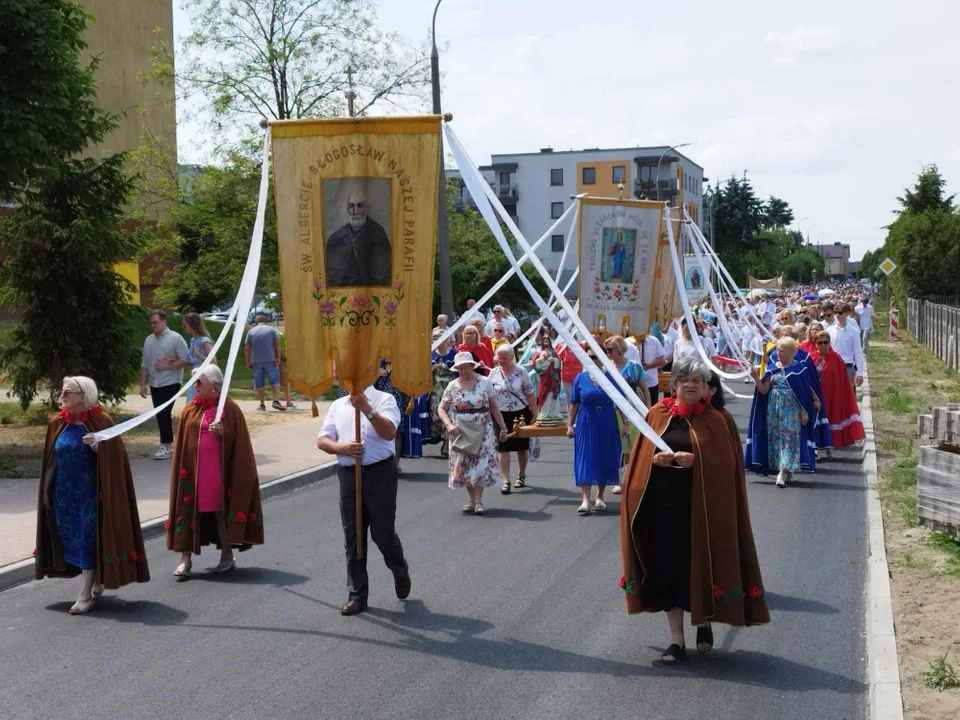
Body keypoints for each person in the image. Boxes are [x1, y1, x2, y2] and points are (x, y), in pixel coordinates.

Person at [620, 357, 769, 664]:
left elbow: (729, 467)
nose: (690, 385)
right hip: (663, 509)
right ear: (673, 386)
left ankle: (703, 621)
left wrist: (697, 461)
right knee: (669, 572)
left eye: (696, 382)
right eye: (683, 380)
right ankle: (676, 640)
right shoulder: (656, 414)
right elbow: (638, 459)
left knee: (700, 564)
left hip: (702, 509)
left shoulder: (718, 419)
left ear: (706, 389)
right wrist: (654, 462)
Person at [35, 376, 150, 614]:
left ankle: (85, 594)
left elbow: (116, 459)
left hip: (91, 494)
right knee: (72, 539)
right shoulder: (58, 422)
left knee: (86, 537)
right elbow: (51, 460)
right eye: (62, 391)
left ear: (83, 396)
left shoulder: (101, 421)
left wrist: (100, 448)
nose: (62, 396)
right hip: (64, 496)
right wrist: (45, 492)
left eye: (68, 392)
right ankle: (95, 579)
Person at [317, 384, 411, 616]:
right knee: (354, 536)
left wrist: (367, 409)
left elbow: (389, 432)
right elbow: (322, 440)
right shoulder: (338, 405)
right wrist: (342, 448)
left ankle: (399, 569)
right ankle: (357, 595)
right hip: (349, 476)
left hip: (380, 474)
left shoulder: (384, 399)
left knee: (382, 534)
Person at [166, 365, 263, 578]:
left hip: (218, 473)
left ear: (215, 385)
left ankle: (227, 556)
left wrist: (223, 432)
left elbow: (240, 443)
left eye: (200, 381)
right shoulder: (190, 409)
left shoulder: (229, 408)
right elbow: (182, 442)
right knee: (187, 511)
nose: (196, 386)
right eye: (195, 382)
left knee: (220, 512)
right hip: (193, 472)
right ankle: (186, 559)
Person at [437, 352, 509, 515]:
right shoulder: (453, 385)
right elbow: (441, 409)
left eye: (466, 367)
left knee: (480, 465)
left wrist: (503, 428)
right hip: (460, 431)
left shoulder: (484, 382)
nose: (463, 370)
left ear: (472, 366)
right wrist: (448, 425)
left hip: (483, 429)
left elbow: (494, 406)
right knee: (464, 466)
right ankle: (471, 499)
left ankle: (478, 501)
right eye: (460, 368)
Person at [745, 336, 820, 487]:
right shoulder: (772, 368)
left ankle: (782, 472)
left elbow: (805, 393)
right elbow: (764, 391)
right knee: (776, 440)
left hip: (791, 410)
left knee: (789, 440)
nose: (779, 353)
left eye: (783, 351)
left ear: (792, 352)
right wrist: (755, 378)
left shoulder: (799, 369)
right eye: (778, 350)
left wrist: (804, 412)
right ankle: (787, 470)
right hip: (773, 409)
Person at [566, 349, 621, 514]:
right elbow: (574, 403)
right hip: (586, 421)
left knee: (603, 456)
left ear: (601, 358)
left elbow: (620, 402)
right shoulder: (580, 378)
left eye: (594, 356)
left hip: (606, 421)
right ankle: (585, 500)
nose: (591, 359)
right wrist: (570, 424)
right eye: (588, 356)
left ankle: (600, 496)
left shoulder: (611, 378)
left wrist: (625, 423)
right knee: (585, 457)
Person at [140, 309, 191, 460]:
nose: (153, 325)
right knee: (159, 414)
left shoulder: (176, 338)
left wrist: (169, 365)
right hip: (154, 383)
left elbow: (187, 361)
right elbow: (145, 364)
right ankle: (167, 444)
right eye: (151, 323)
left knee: (164, 412)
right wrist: (143, 384)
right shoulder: (148, 340)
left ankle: (166, 445)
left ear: (164, 321)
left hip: (171, 381)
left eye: (155, 322)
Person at [604, 335, 649, 496]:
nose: (608, 353)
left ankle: (633, 478)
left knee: (633, 445)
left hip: (633, 411)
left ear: (620, 349)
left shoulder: (634, 367)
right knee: (618, 446)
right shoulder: (606, 368)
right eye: (606, 350)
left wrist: (647, 410)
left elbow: (645, 389)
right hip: (613, 411)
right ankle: (619, 480)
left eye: (610, 350)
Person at [489, 344, 537, 493]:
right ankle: (505, 480)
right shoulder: (493, 373)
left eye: (505, 358)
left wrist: (535, 413)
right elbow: (489, 395)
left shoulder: (521, 372)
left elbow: (530, 394)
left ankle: (521, 475)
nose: (502, 360)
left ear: (511, 357)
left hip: (520, 413)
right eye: (499, 357)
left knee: (521, 446)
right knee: (503, 446)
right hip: (500, 414)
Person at [325, 189, 391, 287]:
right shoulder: (336, 238)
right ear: (348, 209)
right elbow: (331, 276)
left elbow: (383, 274)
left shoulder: (378, 234)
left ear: (367, 209)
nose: (355, 211)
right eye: (351, 206)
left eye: (360, 205)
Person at [811, 331, 866, 448]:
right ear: (815, 344)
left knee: (832, 414)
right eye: (819, 343)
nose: (822, 345)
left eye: (825, 342)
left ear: (829, 343)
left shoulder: (836, 358)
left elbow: (843, 381)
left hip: (832, 394)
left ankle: (832, 440)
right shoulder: (811, 358)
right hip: (816, 394)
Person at [374, 358, 409, 473]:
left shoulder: (400, 363)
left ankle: (396, 463)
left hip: (397, 401)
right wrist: (376, 375)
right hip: (379, 403)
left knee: (397, 433)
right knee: (380, 431)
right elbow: (367, 384)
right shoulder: (377, 363)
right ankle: (381, 462)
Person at [244, 313, 284, 412]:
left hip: (256, 361)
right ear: (266, 321)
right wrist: (278, 357)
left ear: (256, 322)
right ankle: (275, 400)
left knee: (259, 383)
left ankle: (262, 404)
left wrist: (248, 361)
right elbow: (277, 344)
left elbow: (246, 347)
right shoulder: (272, 330)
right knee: (274, 381)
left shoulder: (251, 332)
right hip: (271, 359)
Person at [430, 331, 459, 458]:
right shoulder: (430, 353)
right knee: (435, 415)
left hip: (450, 388)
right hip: (435, 390)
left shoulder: (454, 353)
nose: (439, 340)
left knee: (449, 415)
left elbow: (459, 369)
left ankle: (447, 444)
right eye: (436, 338)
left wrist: (447, 368)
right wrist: (432, 368)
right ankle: (442, 440)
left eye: (441, 338)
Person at [826, 303, 865, 390]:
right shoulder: (829, 331)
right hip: (833, 366)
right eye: (835, 313)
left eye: (840, 313)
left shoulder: (854, 332)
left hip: (847, 366)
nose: (837, 315)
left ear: (846, 314)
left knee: (847, 396)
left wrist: (859, 373)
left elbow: (858, 352)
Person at [182, 312, 214, 404]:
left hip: (203, 376)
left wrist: (198, 354)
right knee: (192, 402)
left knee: (198, 402)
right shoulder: (192, 340)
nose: (183, 327)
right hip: (195, 375)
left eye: (185, 325)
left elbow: (213, 361)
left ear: (192, 324)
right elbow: (191, 361)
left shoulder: (204, 341)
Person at [532, 336, 562, 420]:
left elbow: (558, 362)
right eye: (544, 341)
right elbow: (534, 364)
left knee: (552, 394)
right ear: (542, 343)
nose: (546, 343)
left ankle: (554, 412)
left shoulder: (553, 352)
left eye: (547, 341)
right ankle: (544, 412)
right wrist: (540, 360)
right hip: (543, 377)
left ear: (549, 342)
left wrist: (553, 360)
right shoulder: (539, 353)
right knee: (543, 393)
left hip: (552, 376)